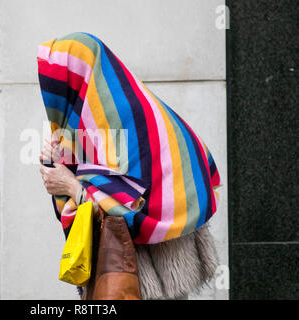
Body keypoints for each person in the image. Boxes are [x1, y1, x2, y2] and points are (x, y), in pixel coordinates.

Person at [38, 32, 222, 300]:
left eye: (56, 84)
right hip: (145, 267)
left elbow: (125, 210)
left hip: (151, 271)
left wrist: (68, 184)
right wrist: (55, 160)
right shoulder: (98, 117)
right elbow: (91, 181)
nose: (52, 94)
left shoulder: (124, 120)